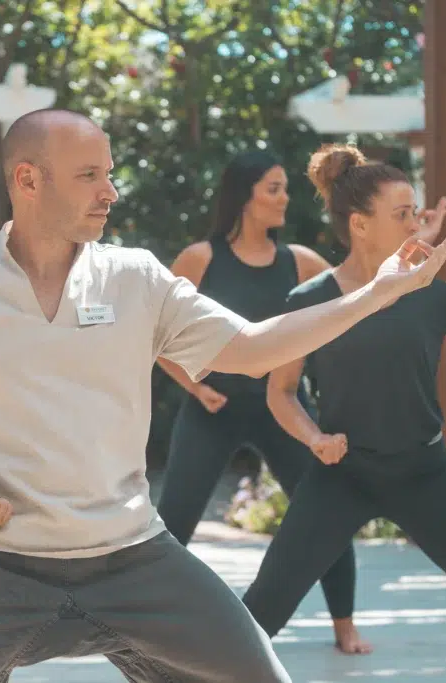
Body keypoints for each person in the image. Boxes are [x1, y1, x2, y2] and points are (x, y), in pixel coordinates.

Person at [0, 108, 446, 682]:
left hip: (133, 558)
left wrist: (378, 293)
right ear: (27, 179)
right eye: (89, 175)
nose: (110, 191)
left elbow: (251, 348)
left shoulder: (136, 277)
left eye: (109, 172)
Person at [240, 143, 446, 683]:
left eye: (414, 212)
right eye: (402, 215)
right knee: (254, 618)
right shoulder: (309, 299)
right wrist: (314, 439)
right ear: (360, 224)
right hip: (341, 477)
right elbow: (281, 394)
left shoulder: (432, 296)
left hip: (424, 475)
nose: (415, 224)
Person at [154, 150, 374, 654]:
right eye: (273, 188)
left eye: (285, 187)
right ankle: (155, 625)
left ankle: (345, 625)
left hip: (284, 408)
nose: (284, 198)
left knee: (328, 508)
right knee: (172, 523)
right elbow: (155, 332)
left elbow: (362, 288)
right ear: (245, 196)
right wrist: (194, 386)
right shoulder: (199, 258)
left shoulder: (301, 262)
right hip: (213, 409)